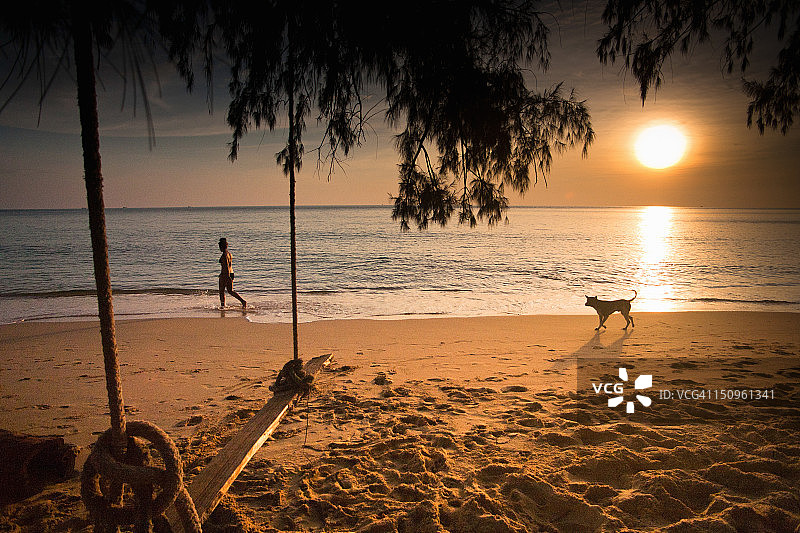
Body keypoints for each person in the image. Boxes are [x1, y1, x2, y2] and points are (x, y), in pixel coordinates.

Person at [218, 238, 246, 308]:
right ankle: (242, 301)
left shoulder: (224, 255)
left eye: (220, 247)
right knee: (230, 291)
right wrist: (230, 275)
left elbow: (226, 266)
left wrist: (227, 277)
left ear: (222, 247)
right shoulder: (229, 254)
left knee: (221, 291)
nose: (219, 249)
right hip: (231, 273)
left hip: (225, 274)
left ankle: (222, 305)